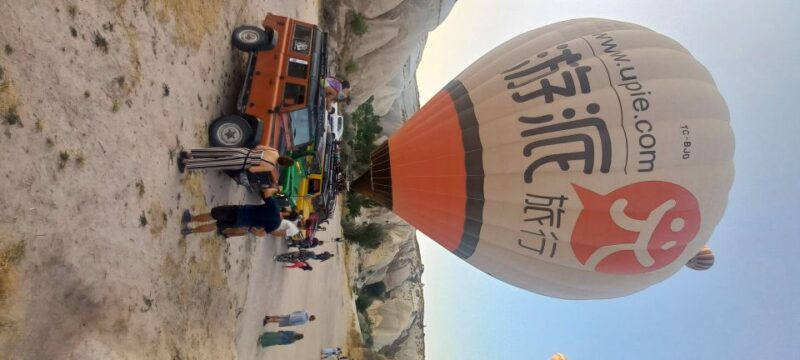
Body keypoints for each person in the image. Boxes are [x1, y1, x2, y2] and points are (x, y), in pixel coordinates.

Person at [181, 190, 300, 238]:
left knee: (212, 215)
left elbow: (266, 191)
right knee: (215, 226)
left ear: (286, 212)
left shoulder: (274, 207)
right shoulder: (275, 225)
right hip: (240, 223)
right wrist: (251, 227)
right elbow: (260, 234)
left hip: (239, 211)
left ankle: (191, 218)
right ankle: (190, 231)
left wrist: (277, 190)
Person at [178, 145, 294, 173]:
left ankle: (188, 154)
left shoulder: (275, 151)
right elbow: (252, 170)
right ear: (283, 165)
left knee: (216, 151)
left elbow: (258, 147)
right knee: (215, 163)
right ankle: (187, 163)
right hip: (242, 162)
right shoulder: (270, 166)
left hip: (243, 151)